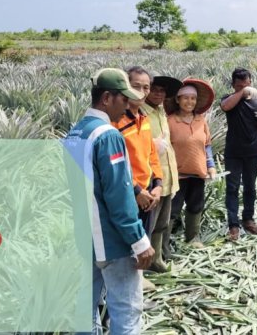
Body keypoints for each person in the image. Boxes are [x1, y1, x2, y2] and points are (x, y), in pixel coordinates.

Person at [64, 68, 154, 335]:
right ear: (106, 98)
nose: (128, 105)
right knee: (126, 311)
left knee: (86, 308)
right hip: (112, 240)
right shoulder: (108, 135)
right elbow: (119, 195)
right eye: (123, 99)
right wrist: (139, 241)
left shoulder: (76, 132)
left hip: (85, 238)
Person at [112, 67, 164, 264]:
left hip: (148, 190)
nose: (141, 91)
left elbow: (152, 154)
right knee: (127, 240)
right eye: (136, 86)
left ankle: (139, 276)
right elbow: (116, 164)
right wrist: (136, 190)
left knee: (144, 236)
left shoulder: (144, 119)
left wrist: (158, 183)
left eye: (146, 87)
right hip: (128, 191)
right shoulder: (116, 121)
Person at [219, 68, 257, 241]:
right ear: (233, 85)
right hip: (233, 153)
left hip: (252, 152)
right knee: (232, 188)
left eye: (246, 84)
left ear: (251, 82)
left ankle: (248, 219)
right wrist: (242, 92)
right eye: (239, 85)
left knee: (250, 187)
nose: (243, 87)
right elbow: (225, 106)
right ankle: (233, 224)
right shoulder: (229, 99)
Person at [168, 78, 217, 248]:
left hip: (197, 172)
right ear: (177, 100)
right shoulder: (170, 121)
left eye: (193, 98)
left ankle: (192, 238)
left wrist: (211, 166)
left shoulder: (201, 120)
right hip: (177, 174)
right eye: (185, 98)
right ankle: (163, 242)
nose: (190, 102)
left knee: (196, 205)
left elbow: (207, 145)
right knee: (172, 210)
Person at [141, 75, 182, 269]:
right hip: (151, 179)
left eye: (162, 91)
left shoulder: (161, 111)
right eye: (154, 89)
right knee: (148, 223)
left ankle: (157, 259)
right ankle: (145, 264)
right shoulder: (140, 111)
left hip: (167, 175)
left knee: (161, 222)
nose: (158, 94)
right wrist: (151, 144)